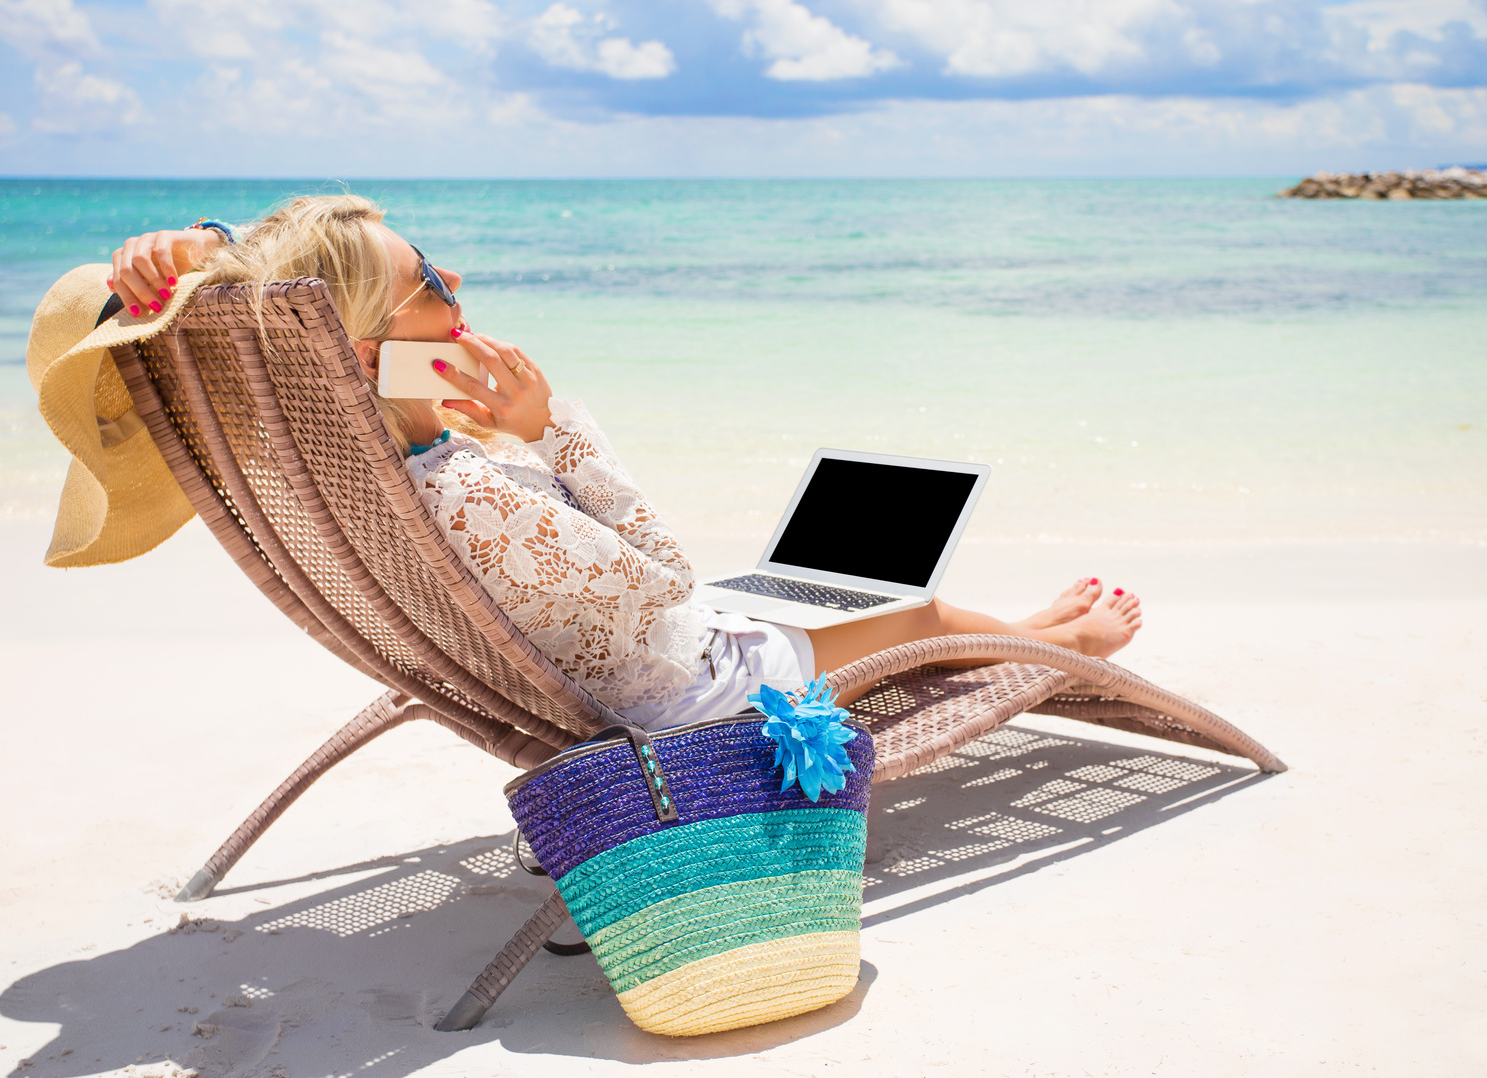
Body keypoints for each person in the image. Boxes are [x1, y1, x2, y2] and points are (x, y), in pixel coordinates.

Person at [106, 195, 1142, 727]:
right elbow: (668, 579)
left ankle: (1023, 633)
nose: (457, 279)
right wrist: (550, 430)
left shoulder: (372, 467)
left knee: (837, 589)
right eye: (431, 281)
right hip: (681, 691)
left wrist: (192, 253)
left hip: (604, 655)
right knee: (909, 610)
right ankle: (1060, 645)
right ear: (372, 352)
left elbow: (266, 307)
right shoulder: (467, 488)